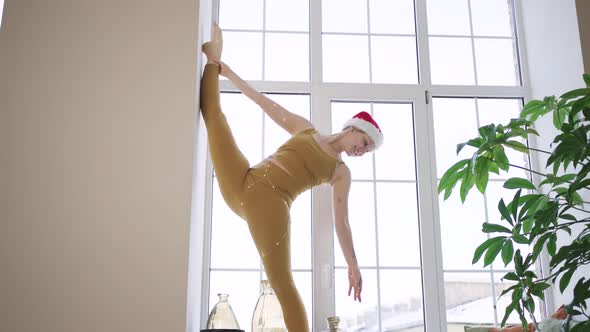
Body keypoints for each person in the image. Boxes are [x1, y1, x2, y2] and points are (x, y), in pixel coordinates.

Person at [200, 23, 384, 331]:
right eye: (364, 143)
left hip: (271, 208)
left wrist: (353, 263)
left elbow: (342, 222)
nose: (361, 151)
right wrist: (228, 73)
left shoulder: (340, 172)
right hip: (243, 182)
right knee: (214, 118)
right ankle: (211, 57)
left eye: (366, 151)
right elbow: (266, 104)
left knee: (282, 285)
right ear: (355, 129)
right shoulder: (306, 129)